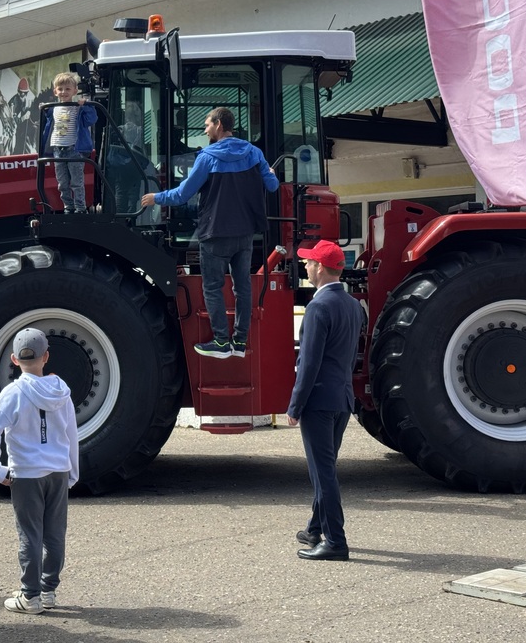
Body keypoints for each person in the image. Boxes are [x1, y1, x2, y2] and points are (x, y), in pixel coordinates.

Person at [142, 107, 279, 359]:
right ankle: (239, 342)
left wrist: (156, 198)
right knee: (243, 287)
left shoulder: (207, 157)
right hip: (245, 232)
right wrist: (271, 174)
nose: (205, 130)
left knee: (213, 287)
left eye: (206, 125)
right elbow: (272, 186)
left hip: (215, 232)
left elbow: (183, 194)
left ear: (218, 124)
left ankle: (220, 341)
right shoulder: (254, 152)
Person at [0, 328, 79, 615]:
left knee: (30, 534)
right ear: (46, 356)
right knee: (55, 533)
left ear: (14, 359)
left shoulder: (12, 393)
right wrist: (72, 472)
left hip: (26, 473)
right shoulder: (61, 391)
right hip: (58, 470)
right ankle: (49, 589)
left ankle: (30, 595)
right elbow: (71, 434)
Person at [286, 239, 362, 562]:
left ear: (320, 268)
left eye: (309, 262)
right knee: (326, 468)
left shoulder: (318, 308)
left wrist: (295, 405)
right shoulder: (353, 305)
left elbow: (309, 362)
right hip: (343, 398)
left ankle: (335, 540)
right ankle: (316, 527)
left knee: (322, 473)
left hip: (319, 400)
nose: (305, 266)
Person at [42, 71, 98, 214]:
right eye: (60, 89)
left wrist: (86, 106)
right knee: (62, 183)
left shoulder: (77, 108)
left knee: (76, 182)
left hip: (74, 149)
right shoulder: (53, 108)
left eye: (67, 89)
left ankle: (80, 207)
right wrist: (44, 110)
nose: (64, 92)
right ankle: (68, 205)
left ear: (75, 90)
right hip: (58, 149)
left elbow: (91, 120)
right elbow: (48, 123)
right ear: (55, 91)